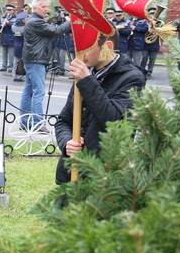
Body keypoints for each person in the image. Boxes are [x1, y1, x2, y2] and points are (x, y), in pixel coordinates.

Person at [54, 31, 145, 184]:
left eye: (86, 47)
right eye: (78, 47)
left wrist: (87, 81)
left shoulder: (132, 78)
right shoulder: (86, 73)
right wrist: (67, 142)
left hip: (104, 177)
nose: (80, 53)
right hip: (73, 171)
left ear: (107, 46)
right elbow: (63, 121)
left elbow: (116, 122)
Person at [20, 0, 70, 130]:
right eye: (43, 7)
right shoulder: (36, 22)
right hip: (36, 60)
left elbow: (51, 29)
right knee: (39, 92)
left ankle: (24, 122)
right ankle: (38, 123)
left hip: (33, 60)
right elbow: (55, 31)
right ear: (35, 8)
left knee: (29, 91)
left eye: (47, 6)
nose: (46, 9)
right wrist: (69, 22)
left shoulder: (35, 20)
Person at [11, 5, 30, 82]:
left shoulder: (14, 27)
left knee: (16, 62)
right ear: (24, 19)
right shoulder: (25, 28)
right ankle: (23, 75)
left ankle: (15, 75)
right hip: (24, 46)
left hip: (16, 45)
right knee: (24, 62)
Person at [0, 4, 16, 73]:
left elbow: (15, 25)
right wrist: (1, 25)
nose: (8, 11)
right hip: (4, 38)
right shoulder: (3, 17)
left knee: (11, 54)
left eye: (10, 10)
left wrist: (8, 23)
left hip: (11, 38)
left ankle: (10, 67)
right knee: (4, 53)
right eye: (7, 10)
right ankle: (4, 66)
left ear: (13, 11)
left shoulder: (16, 18)